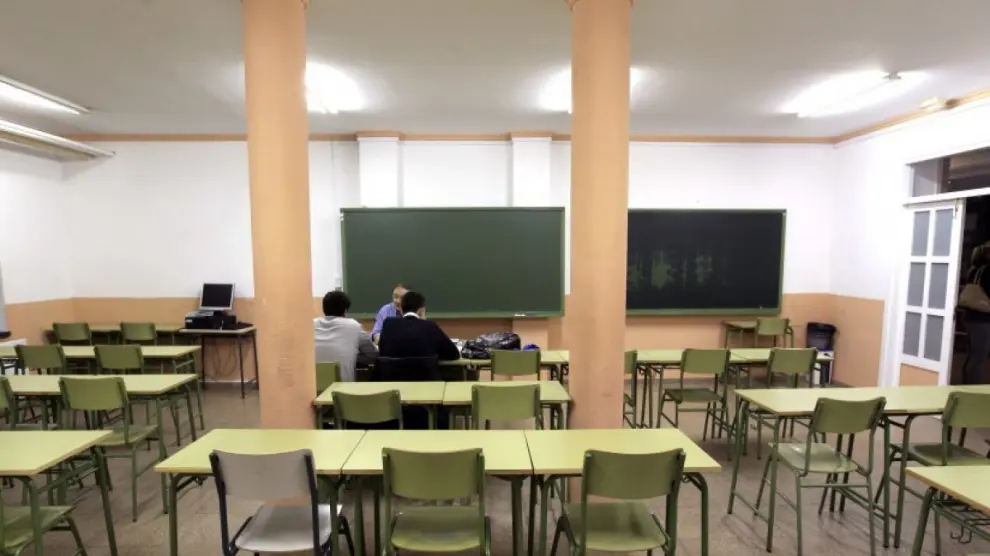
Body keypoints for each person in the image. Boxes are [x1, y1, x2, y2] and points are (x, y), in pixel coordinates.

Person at [378, 291, 460, 429]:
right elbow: (454, 354)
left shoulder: (388, 324)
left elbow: (383, 350)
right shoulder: (429, 326)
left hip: (393, 388)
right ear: (421, 310)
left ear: (401, 309)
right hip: (427, 390)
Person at [313, 290, 378, 382]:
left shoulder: (311, 324)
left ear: (324, 309)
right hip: (343, 388)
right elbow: (373, 354)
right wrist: (352, 356)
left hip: (314, 387)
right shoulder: (353, 326)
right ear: (345, 310)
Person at [962, 243, 990, 384]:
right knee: (979, 356)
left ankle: (966, 382)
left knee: (972, 355)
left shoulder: (973, 270)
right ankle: (973, 385)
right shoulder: (987, 271)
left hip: (969, 317)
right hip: (981, 318)